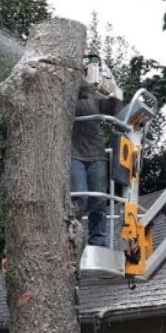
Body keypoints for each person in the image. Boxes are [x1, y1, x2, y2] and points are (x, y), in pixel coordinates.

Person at [70, 61, 123, 247]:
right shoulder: (68, 83)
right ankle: (70, 239)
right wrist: (83, 86)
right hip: (73, 151)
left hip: (96, 152)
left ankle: (97, 242)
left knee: (99, 200)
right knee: (79, 197)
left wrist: (113, 91)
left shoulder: (96, 88)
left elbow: (114, 111)